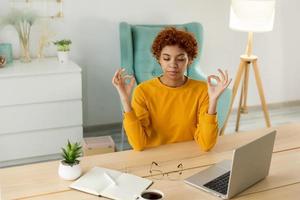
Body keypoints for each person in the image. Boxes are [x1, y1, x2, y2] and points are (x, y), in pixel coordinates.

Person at [112, 27, 231, 151]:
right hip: (155, 159)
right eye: (166, 58)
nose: (173, 65)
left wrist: (213, 102)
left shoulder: (202, 90)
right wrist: (125, 100)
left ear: (189, 60)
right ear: (159, 59)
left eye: (180, 59)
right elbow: (138, 144)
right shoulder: (143, 91)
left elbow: (207, 144)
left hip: (190, 156)